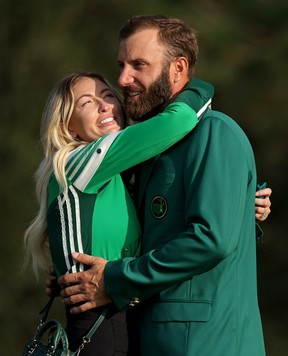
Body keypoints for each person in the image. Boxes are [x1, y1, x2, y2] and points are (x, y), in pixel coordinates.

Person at [56, 16, 271, 355]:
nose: (124, 79)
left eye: (138, 65)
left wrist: (114, 278)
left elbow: (211, 239)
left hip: (205, 344)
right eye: (122, 65)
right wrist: (70, 273)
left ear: (178, 68)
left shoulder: (215, 134)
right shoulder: (142, 150)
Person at [24, 70, 214, 355]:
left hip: (123, 321)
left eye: (109, 96)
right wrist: (197, 84)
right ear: (68, 127)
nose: (104, 105)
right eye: (87, 102)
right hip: (98, 329)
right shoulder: (80, 162)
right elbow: (181, 119)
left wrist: (244, 202)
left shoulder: (116, 178)